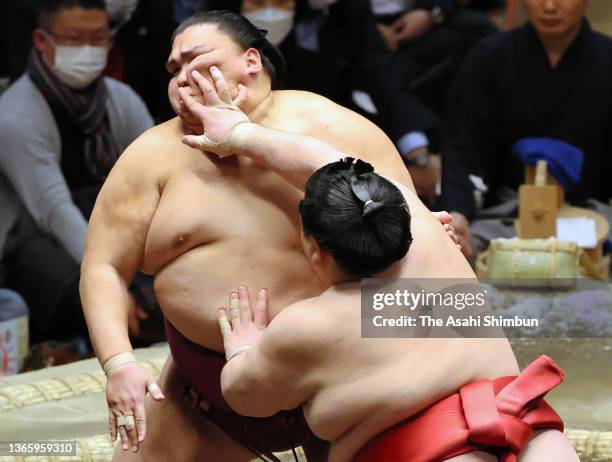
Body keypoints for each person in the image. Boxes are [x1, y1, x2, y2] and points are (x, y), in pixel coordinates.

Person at [80, 10, 458, 461]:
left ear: (251, 62)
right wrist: (119, 363)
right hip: (205, 396)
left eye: (194, 59)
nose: (181, 76)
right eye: (173, 69)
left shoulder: (333, 127)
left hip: (350, 379)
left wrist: (427, 235)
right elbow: (103, 265)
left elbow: (404, 228)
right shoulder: (150, 157)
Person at [180, 65, 578, 462]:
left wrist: (245, 348)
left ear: (317, 249)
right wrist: (240, 133)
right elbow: (333, 164)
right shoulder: (429, 232)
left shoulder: (309, 324)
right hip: (540, 443)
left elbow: (245, 395)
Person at [0, 0, 154, 344]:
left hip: (108, 226)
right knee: (88, 297)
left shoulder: (120, 98)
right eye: (74, 39)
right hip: (33, 243)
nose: (88, 48)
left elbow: (157, 172)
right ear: (42, 41)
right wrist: (107, 282)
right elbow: (53, 211)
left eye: (97, 38)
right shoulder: (15, 116)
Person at [203, 0, 443, 201]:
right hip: (231, 144)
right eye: (257, 1)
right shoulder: (206, 32)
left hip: (326, 130)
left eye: (281, 1)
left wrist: (417, 152)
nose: (270, 9)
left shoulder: (336, 10)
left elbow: (378, 70)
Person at [438, 0, 612, 258]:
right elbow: (465, 147)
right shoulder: (491, 56)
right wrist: (458, 214)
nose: (550, 6)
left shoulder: (607, 58)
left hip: (591, 212)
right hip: (507, 213)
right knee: (456, 248)